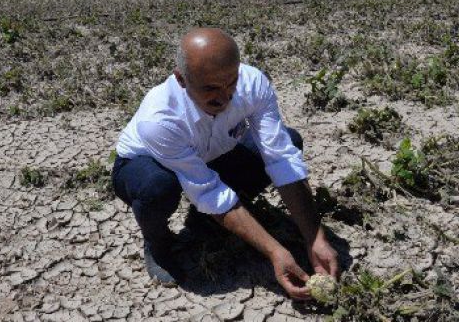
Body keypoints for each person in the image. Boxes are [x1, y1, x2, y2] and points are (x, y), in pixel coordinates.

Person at [111, 27, 339, 300]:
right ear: (181, 79)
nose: (225, 96)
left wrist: (314, 237)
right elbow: (208, 191)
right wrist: (275, 252)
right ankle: (157, 243)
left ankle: (203, 219)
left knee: (290, 140)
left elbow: (281, 157)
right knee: (157, 187)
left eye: (231, 82)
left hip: (210, 155)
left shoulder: (252, 83)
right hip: (146, 164)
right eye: (210, 88)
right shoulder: (160, 119)